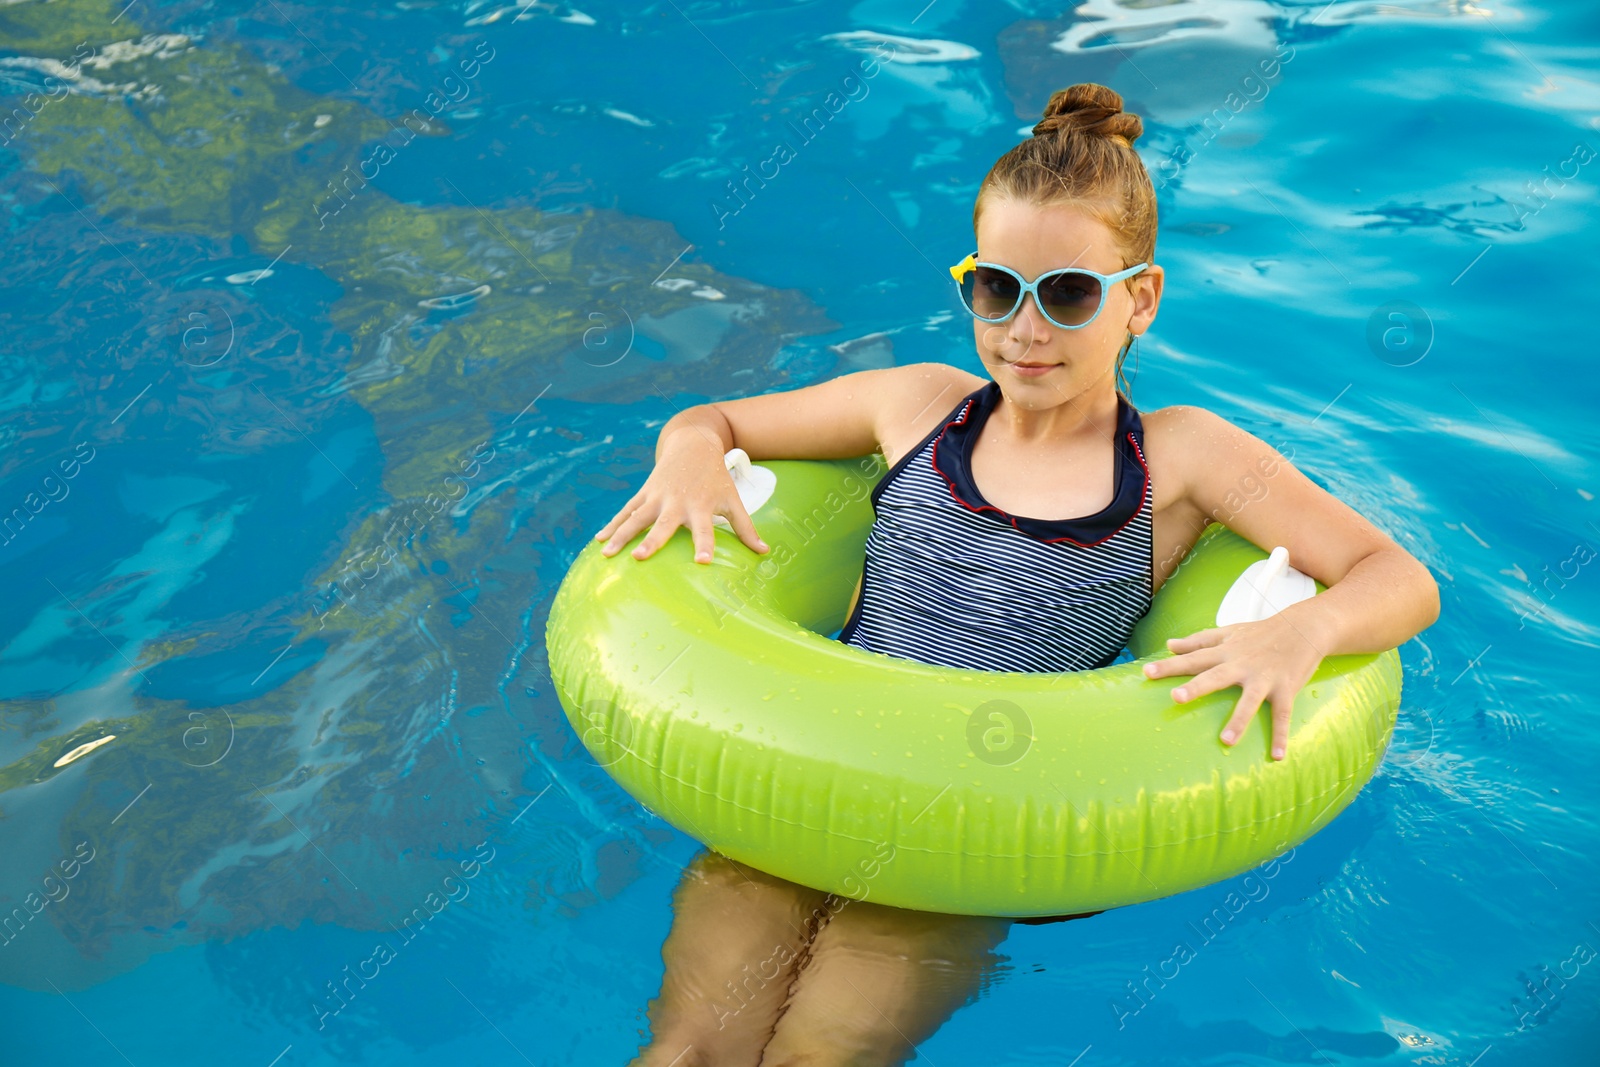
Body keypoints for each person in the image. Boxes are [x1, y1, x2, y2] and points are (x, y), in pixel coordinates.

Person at [595, 83, 1440, 1067]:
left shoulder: (1180, 458)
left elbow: (1398, 578)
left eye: (1068, 293)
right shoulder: (916, 406)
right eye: (995, 287)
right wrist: (687, 453)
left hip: (960, 837)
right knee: (687, 1051)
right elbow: (715, 422)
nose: (1025, 329)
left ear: (1139, 300)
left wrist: (1300, 630)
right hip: (797, 783)